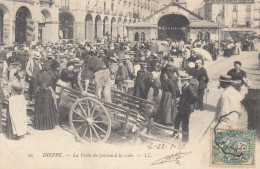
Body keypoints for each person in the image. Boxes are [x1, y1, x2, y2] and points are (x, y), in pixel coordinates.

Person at [34, 60, 60, 130]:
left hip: (41, 92)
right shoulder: (52, 74)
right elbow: (53, 83)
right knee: (48, 107)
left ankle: (40, 125)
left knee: (41, 107)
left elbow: (37, 84)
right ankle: (48, 124)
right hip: (47, 91)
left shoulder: (39, 74)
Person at [173, 75, 197, 143]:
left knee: (185, 124)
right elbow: (183, 96)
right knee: (177, 121)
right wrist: (180, 99)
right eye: (182, 80)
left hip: (186, 109)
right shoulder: (184, 87)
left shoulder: (189, 88)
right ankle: (176, 135)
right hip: (181, 108)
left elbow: (195, 97)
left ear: (187, 80)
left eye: (184, 80)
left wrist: (187, 103)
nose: (182, 81)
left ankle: (185, 140)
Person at [6, 70, 28, 139]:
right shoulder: (14, 82)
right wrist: (22, 79)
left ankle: (22, 131)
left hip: (19, 99)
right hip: (15, 100)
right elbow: (22, 87)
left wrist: (21, 79)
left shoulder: (18, 81)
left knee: (21, 116)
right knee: (16, 117)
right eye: (21, 74)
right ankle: (16, 133)